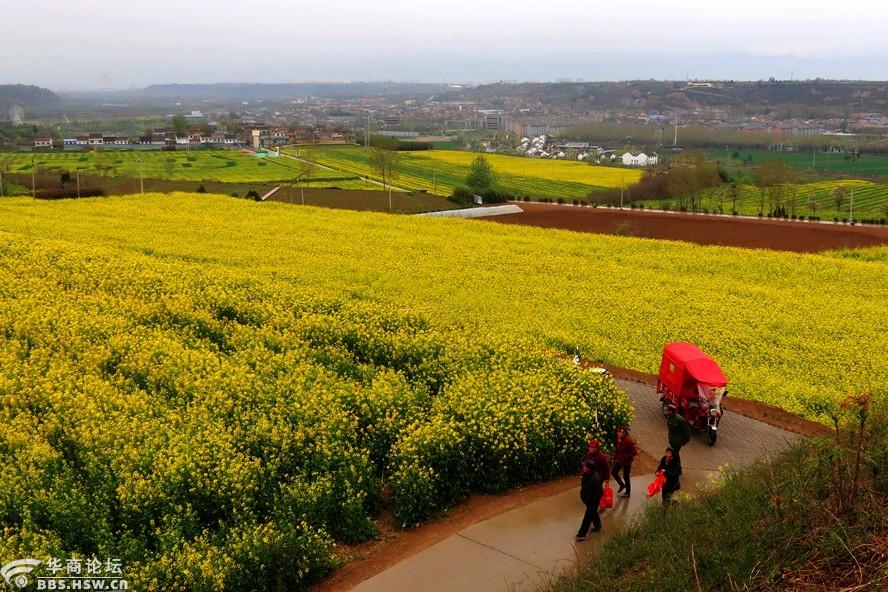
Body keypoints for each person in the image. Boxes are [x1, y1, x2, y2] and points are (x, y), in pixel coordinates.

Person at [576, 439, 611, 541]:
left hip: (594, 494)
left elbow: (607, 468)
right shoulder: (587, 472)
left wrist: (607, 479)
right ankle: (598, 526)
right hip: (590, 494)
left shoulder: (601, 459)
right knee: (593, 511)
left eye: (592, 447)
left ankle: (582, 533)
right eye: (590, 447)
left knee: (588, 515)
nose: (590, 448)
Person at [612, 425, 638, 498]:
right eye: (618, 432)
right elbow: (617, 449)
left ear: (624, 433)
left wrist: (625, 457)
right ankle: (622, 485)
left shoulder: (628, 441)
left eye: (621, 432)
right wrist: (615, 458)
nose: (619, 434)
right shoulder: (618, 439)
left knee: (626, 476)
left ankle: (628, 492)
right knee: (614, 472)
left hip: (627, 462)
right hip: (620, 460)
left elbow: (634, 452)